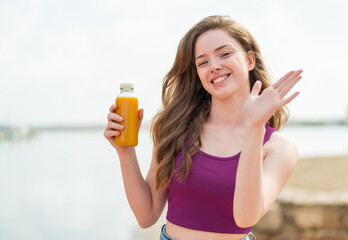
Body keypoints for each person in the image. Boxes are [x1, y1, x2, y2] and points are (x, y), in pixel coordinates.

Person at [104, 15, 302, 240]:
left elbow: (246, 218)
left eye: (224, 53)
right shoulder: (175, 128)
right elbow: (146, 215)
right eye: (202, 62)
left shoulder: (280, 148)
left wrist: (254, 127)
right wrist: (125, 151)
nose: (215, 66)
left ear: (249, 60)